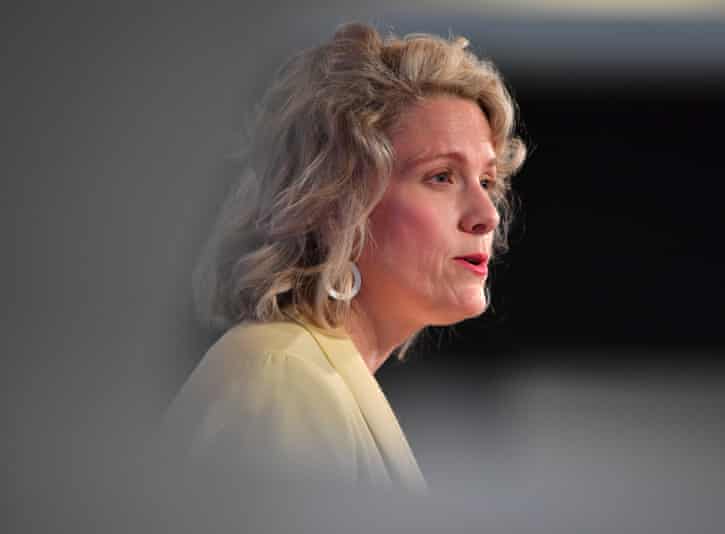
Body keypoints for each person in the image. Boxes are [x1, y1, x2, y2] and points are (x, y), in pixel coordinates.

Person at [157, 22, 526, 495]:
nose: (485, 216)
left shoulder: (313, 375)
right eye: (441, 177)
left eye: (488, 182)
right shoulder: (280, 383)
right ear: (335, 205)